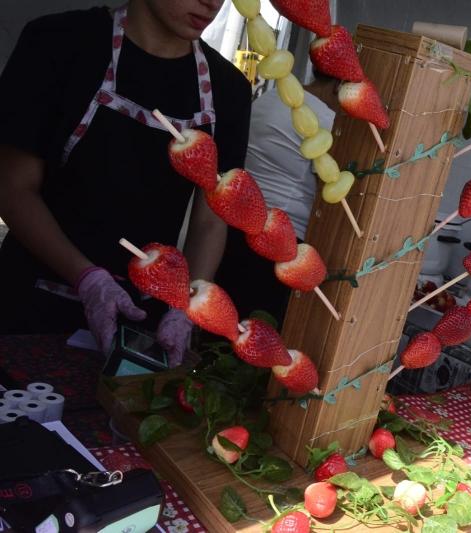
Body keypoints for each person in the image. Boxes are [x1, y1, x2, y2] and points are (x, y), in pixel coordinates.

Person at [0, 0, 252, 366]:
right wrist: (87, 280)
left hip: (141, 328)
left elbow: (211, 219)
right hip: (32, 307)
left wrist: (186, 305)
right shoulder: (59, 43)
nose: (212, 2)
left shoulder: (228, 90)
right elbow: (12, 188)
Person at [216, 70, 338, 326]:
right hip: (280, 242)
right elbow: (327, 200)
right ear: (340, 86)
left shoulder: (271, 97)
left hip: (235, 228)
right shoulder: (324, 121)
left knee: (225, 323)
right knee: (256, 331)